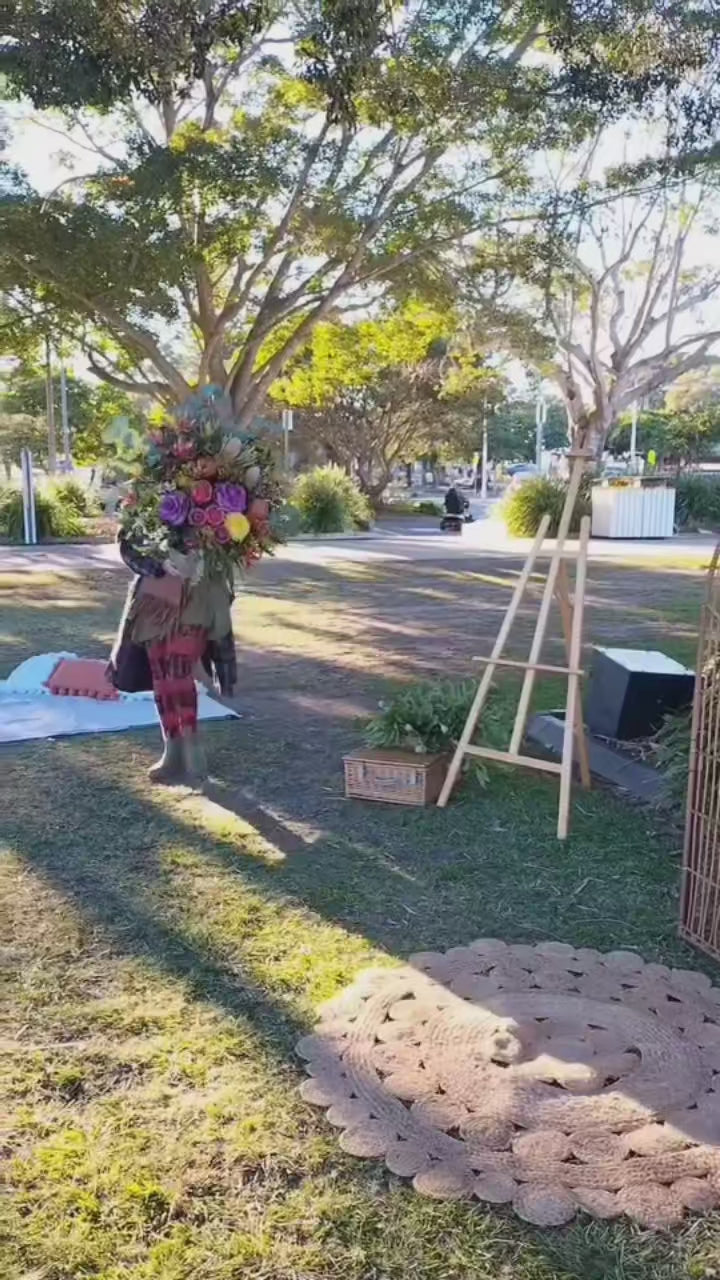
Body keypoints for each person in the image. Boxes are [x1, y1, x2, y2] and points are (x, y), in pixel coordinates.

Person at [109, 532, 237, 785]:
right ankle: (172, 748)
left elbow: (237, 533)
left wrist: (205, 554)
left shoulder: (221, 492)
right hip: (154, 597)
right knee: (161, 676)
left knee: (178, 669)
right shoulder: (144, 495)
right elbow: (126, 543)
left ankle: (192, 747)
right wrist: (157, 565)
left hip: (198, 594)